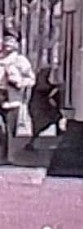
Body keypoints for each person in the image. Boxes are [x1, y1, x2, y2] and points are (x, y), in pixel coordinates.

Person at [0, 35, 36, 163]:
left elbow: (31, 79)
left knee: (10, 130)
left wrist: (19, 83)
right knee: (1, 129)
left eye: (10, 43)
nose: (7, 46)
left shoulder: (20, 61)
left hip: (12, 100)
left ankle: (8, 156)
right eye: (5, 43)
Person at [25, 67, 62, 151]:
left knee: (54, 118)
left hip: (42, 106)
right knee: (40, 124)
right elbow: (43, 88)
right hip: (39, 107)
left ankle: (32, 142)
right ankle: (32, 143)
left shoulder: (39, 82)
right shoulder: (40, 84)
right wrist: (55, 87)